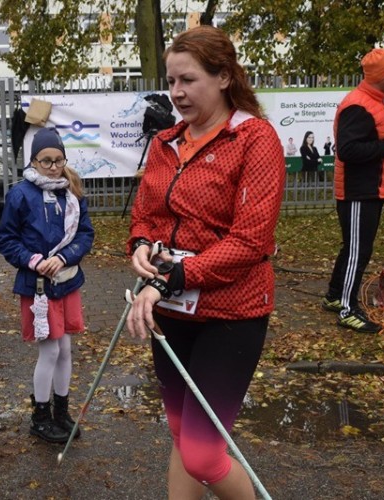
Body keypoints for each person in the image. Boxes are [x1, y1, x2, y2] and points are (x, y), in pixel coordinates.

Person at [125, 26, 285, 500]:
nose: (176, 93)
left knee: (202, 453)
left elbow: (250, 240)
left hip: (231, 314)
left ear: (223, 77)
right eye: (171, 81)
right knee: (180, 434)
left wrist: (170, 279)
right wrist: (140, 244)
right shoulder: (165, 143)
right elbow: (147, 214)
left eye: (188, 80)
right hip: (172, 313)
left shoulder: (254, 139)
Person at [0, 128, 94, 444]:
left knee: (65, 347)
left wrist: (65, 257)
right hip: (37, 283)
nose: (53, 167)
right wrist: (35, 260)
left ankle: (61, 411)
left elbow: (85, 235)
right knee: (50, 349)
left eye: (58, 160)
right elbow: (6, 240)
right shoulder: (20, 194)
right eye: (46, 161)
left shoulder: (73, 193)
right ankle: (40, 416)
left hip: (66, 280)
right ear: (33, 161)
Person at [321, 48, 384, 334]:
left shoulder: (373, 101)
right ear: (381, 76)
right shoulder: (358, 105)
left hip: (369, 189)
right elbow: (348, 151)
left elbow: (371, 140)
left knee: (353, 248)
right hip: (359, 192)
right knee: (357, 252)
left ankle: (336, 296)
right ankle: (348, 309)